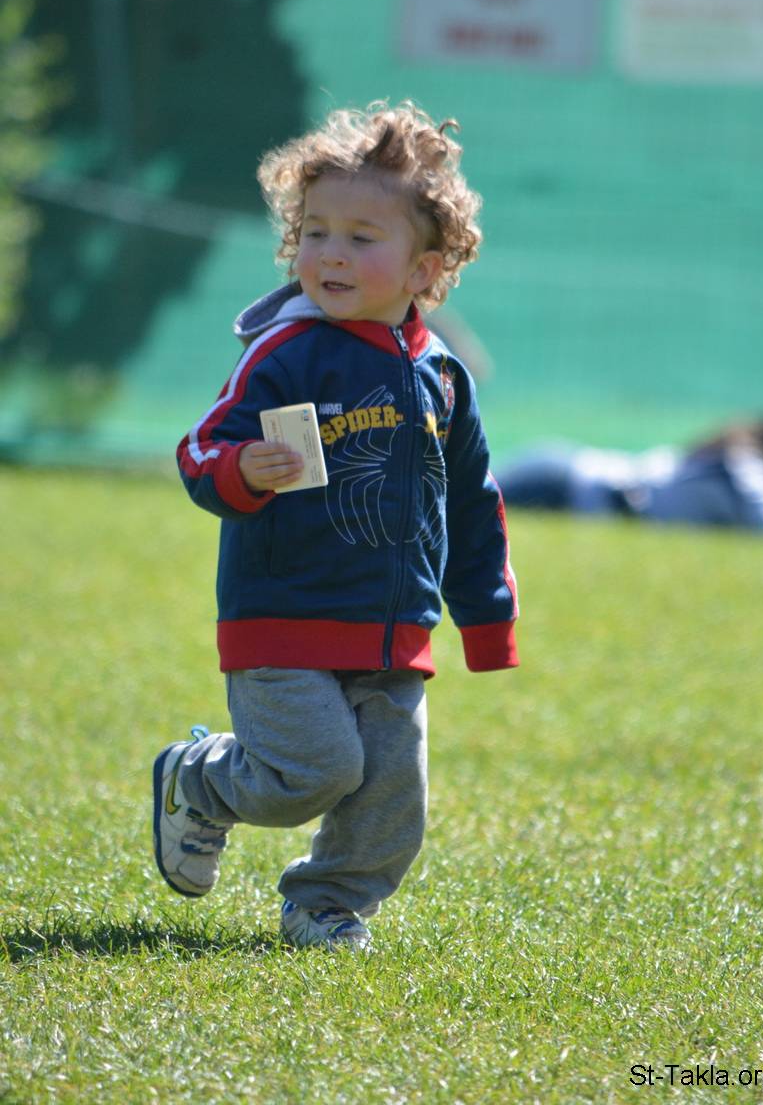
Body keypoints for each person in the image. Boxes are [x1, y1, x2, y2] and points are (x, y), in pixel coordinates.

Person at [152, 101, 519, 950]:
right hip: (282, 618)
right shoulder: (286, 353)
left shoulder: (442, 377)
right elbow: (201, 449)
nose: (332, 253)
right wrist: (241, 469)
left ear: (425, 268)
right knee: (313, 772)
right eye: (315, 232)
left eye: (361, 236)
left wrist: (487, 618)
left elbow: (472, 499)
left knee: (391, 795)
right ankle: (199, 781)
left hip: (395, 630)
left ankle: (327, 904)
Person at [497, 407, 763, 542]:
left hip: (566, 482)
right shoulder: (747, 466)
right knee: (468, 506)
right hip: (561, 482)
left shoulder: (744, 462)